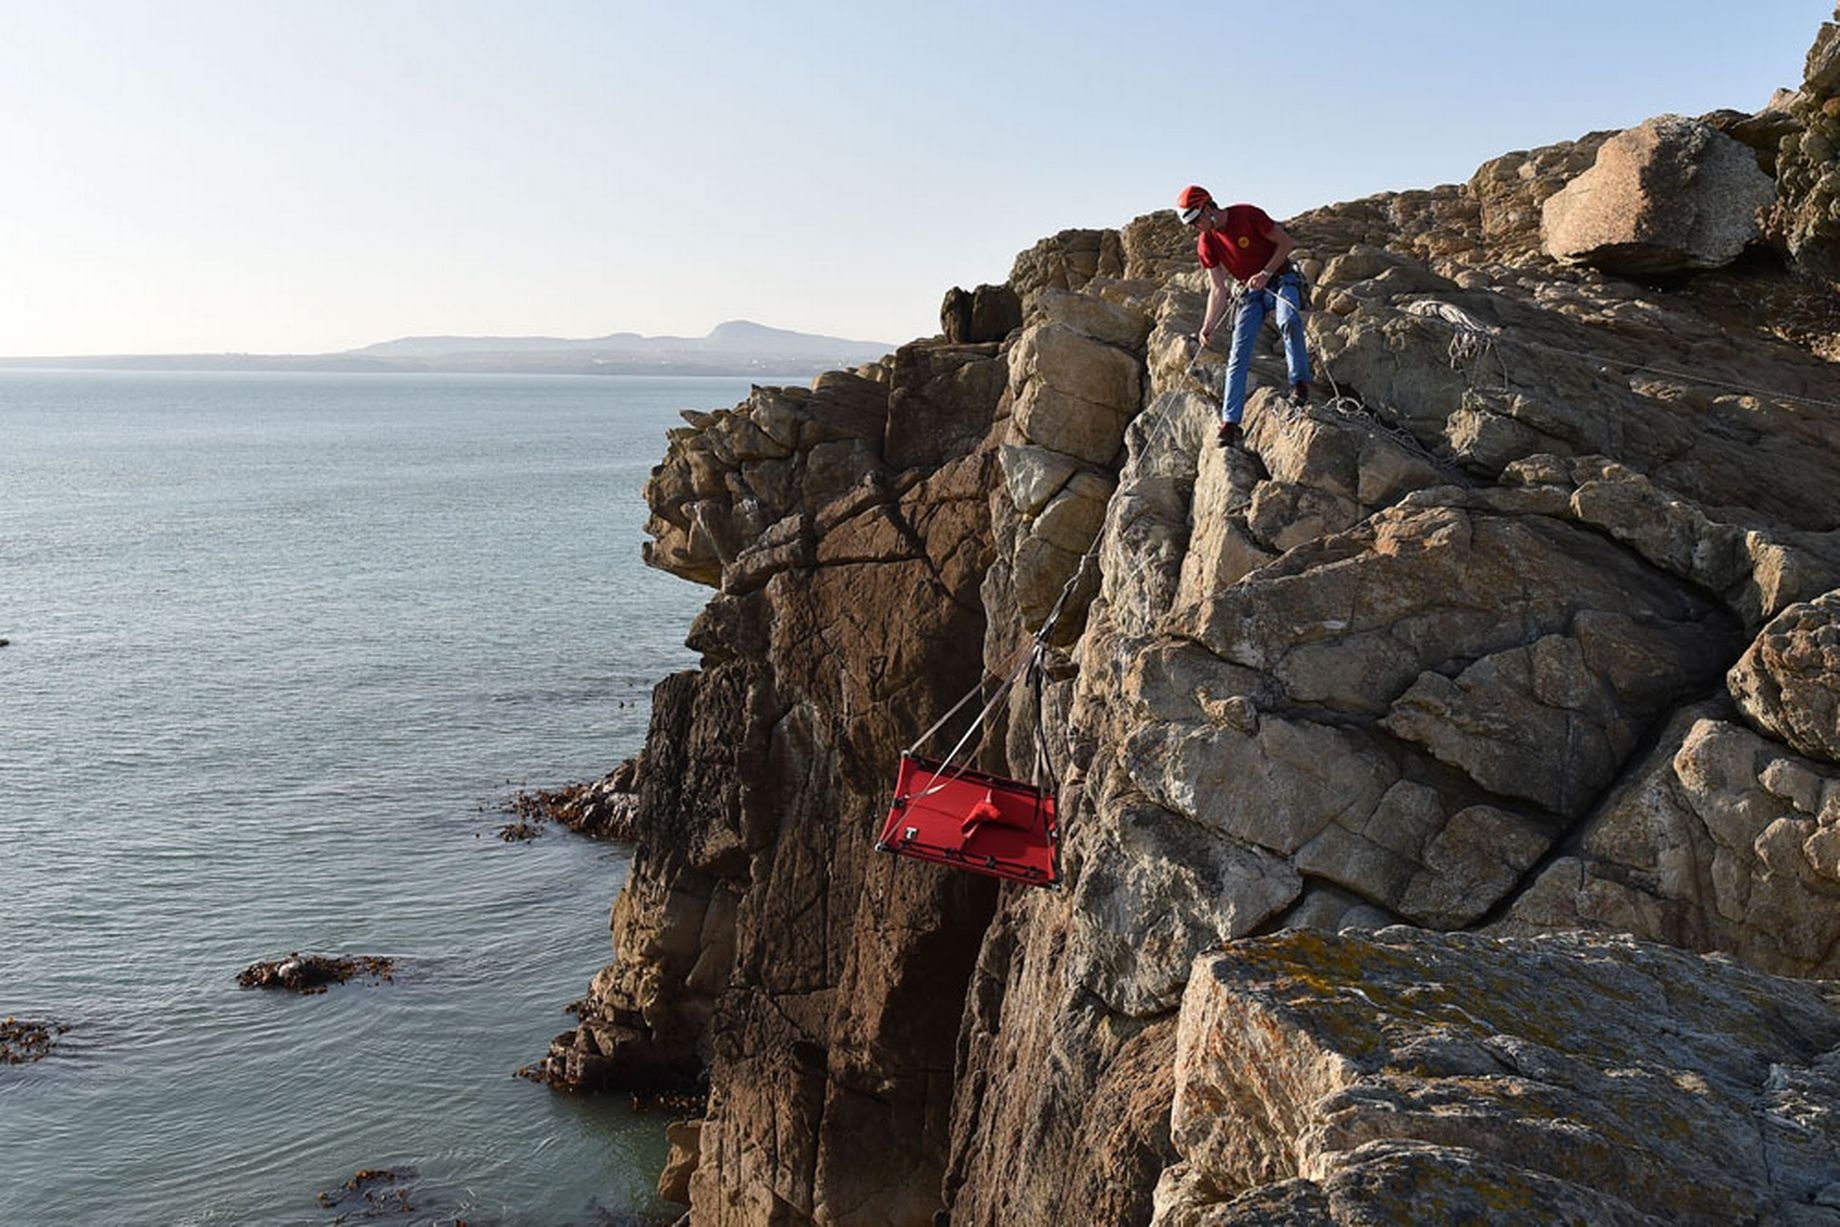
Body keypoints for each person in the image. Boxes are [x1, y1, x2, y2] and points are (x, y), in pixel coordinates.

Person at [1176, 185, 1312, 448]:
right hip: (1250, 293)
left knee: (1288, 320)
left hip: (1281, 280)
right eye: (1191, 224)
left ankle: (1300, 385)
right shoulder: (1206, 242)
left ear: (1208, 207)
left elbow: (1286, 243)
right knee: (1238, 354)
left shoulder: (1248, 215)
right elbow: (1218, 288)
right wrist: (1208, 326)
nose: (1196, 227)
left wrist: (1265, 272)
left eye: (1197, 219)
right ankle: (1230, 423)